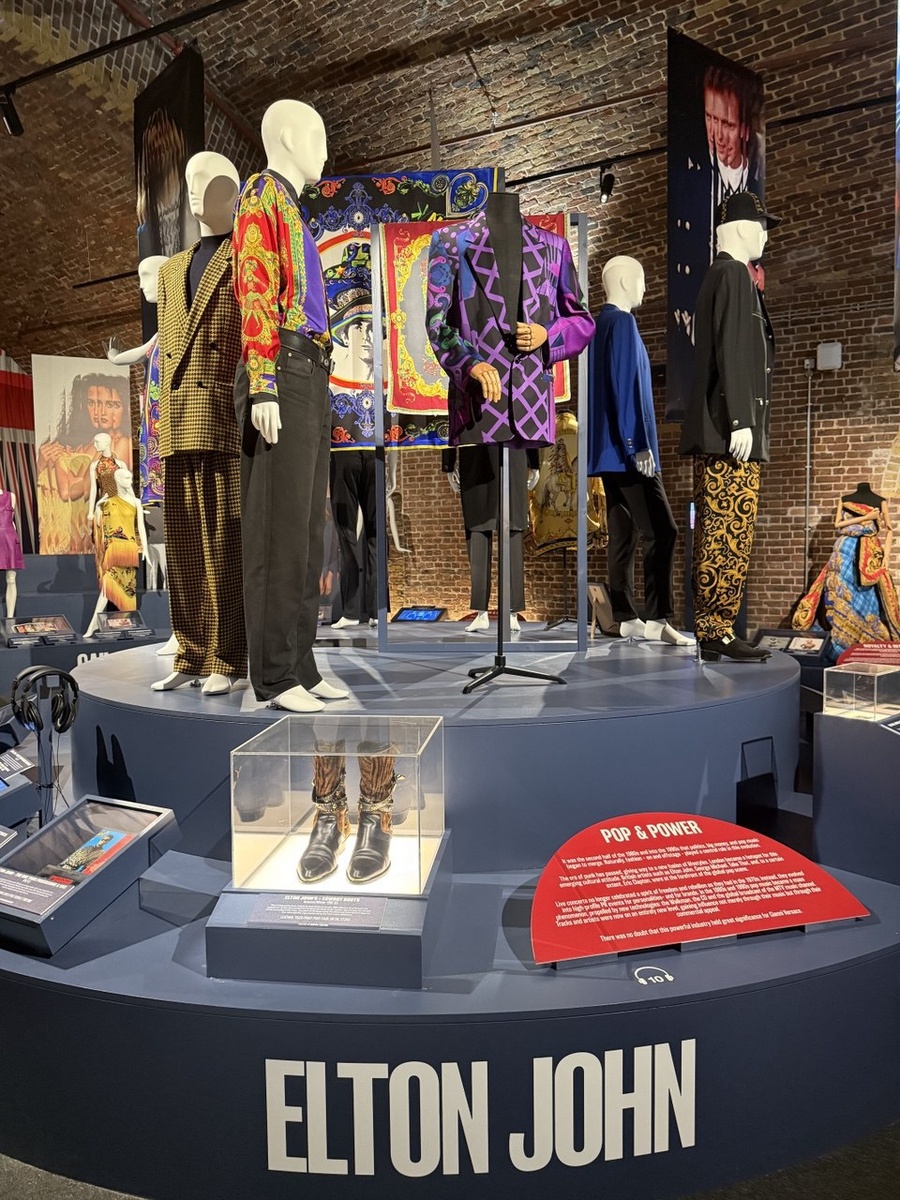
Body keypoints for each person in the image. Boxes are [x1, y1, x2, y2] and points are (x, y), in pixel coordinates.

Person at [792, 483, 900, 659]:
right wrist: (867, 517)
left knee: (867, 595)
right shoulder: (844, 500)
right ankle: (841, 646)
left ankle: (868, 643)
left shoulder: (880, 501)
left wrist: (886, 556)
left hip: (869, 553)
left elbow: (889, 529)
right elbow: (838, 524)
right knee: (841, 594)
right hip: (845, 549)